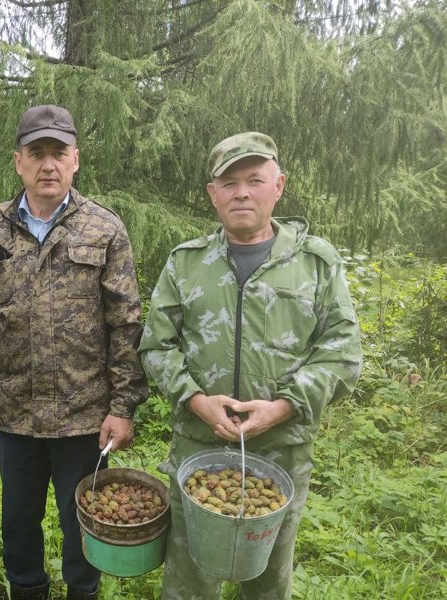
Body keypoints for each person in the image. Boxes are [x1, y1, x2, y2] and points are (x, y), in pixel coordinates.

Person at [138, 132, 362, 599]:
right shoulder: (187, 263)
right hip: (199, 446)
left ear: (279, 186)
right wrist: (196, 401)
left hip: (280, 452)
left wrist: (282, 407)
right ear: (212, 193)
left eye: (255, 180)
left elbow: (342, 353)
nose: (242, 192)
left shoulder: (316, 264)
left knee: (267, 581)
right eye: (230, 182)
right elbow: (156, 346)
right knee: (189, 577)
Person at [0, 105, 147, 600]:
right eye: (37, 153)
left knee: (82, 521)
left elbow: (125, 323)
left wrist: (122, 408)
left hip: (84, 415)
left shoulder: (104, 228)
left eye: (59, 153)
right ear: (19, 162)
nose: (48, 164)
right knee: (17, 523)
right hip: (15, 414)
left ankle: (84, 593)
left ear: (76, 160)